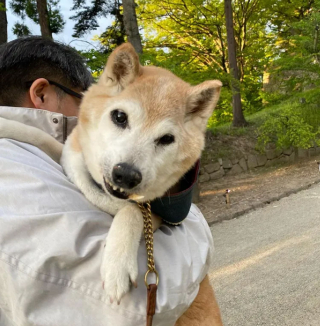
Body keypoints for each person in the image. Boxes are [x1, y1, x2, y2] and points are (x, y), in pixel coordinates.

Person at [0, 37, 220, 326]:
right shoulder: (11, 171)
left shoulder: (33, 154)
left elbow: (67, 161)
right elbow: (128, 307)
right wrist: (193, 223)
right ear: (41, 95)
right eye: (118, 117)